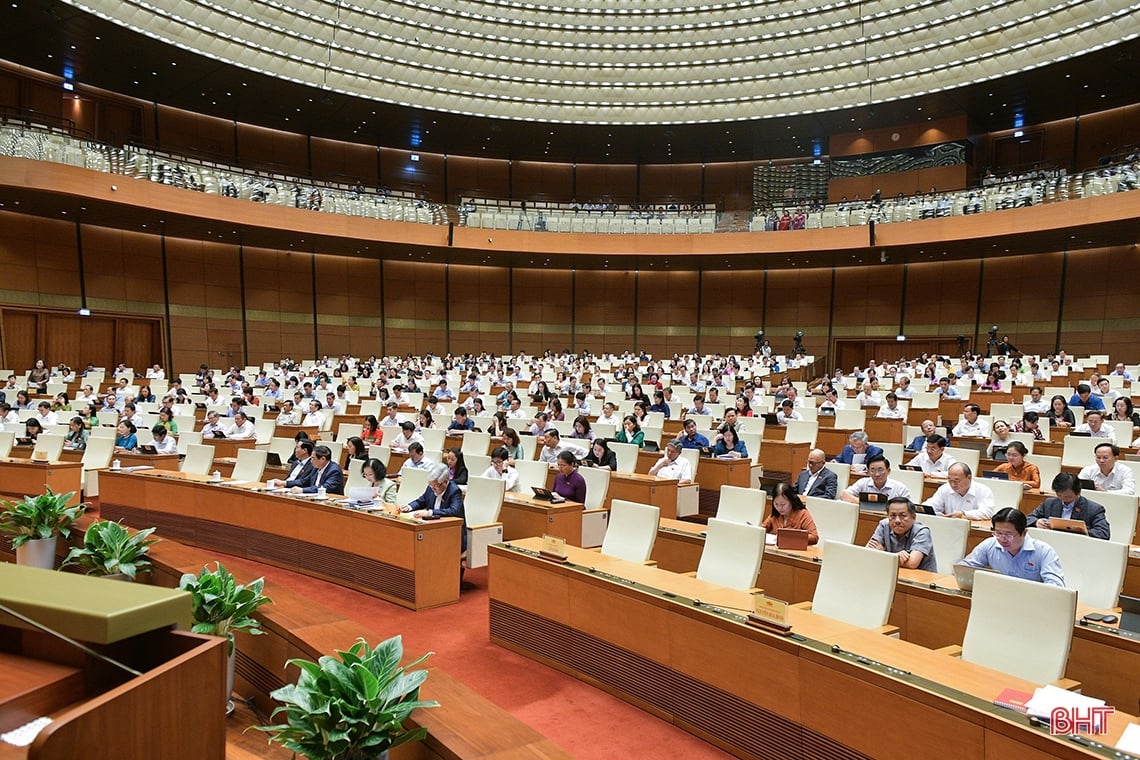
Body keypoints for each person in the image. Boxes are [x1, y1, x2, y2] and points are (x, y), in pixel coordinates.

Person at [959, 508, 1064, 587]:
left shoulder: (1044, 551)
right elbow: (963, 568)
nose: (1002, 539)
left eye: (1008, 535)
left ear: (1024, 532)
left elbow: (1056, 586)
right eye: (998, 533)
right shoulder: (990, 544)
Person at [1026, 473, 1111, 540]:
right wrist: (1036, 522)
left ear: (1078, 493)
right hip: (1052, 542)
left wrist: (1081, 531)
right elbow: (1027, 519)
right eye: (1059, 495)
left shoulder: (1094, 509)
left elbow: (1103, 533)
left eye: (1068, 497)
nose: (1063, 499)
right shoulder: (1049, 503)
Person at [402, 464, 466, 549]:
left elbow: (454, 511)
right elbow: (422, 501)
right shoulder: (431, 487)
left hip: (452, 533)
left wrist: (430, 513)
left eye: (436, 486)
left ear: (446, 482)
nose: (433, 488)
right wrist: (409, 507)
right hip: (432, 529)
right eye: (431, 485)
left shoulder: (454, 491)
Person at [866, 497, 937, 572]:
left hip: (922, 578)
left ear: (913, 517)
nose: (897, 520)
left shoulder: (922, 531)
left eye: (902, 516)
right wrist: (896, 557)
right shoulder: (884, 525)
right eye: (892, 516)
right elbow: (868, 553)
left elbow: (912, 563)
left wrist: (882, 555)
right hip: (891, 572)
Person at [926, 463, 995, 520]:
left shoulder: (983, 490)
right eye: (950, 480)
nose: (953, 484)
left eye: (957, 480)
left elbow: (987, 512)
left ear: (969, 478)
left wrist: (963, 514)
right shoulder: (945, 488)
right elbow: (932, 504)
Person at [839, 455, 911, 504]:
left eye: (880, 470)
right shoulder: (863, 482)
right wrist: (863, 503)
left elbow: (908, 507)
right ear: (868, 472)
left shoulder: (899, 488)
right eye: (873, 470)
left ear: (888, 471)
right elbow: (843, 494)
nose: (877, 474)